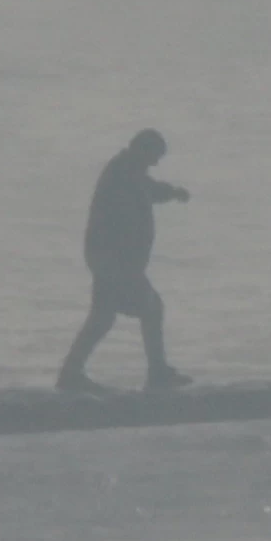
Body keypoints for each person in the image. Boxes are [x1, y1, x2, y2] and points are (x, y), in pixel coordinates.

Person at [60, 129, 187, 393]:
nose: (155, 163)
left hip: (114, 262)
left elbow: (149, 189)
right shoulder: (121, 174)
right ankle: (156, 373)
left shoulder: (128, 171)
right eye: (154, 156)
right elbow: (120, 221)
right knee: (149, 309)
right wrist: (122, 265)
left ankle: (71, 373)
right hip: (115, 262)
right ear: (143, 150)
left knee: (105, 316)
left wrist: (172, 192)